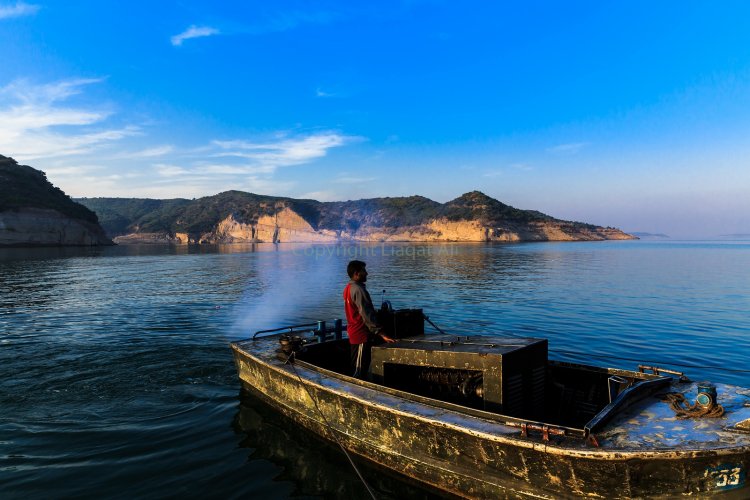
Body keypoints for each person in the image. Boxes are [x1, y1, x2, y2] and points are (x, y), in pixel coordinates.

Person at [343, 260, 395, 378]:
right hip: (360, 334)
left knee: (359, 365)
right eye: (364, 271)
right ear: (356, 273)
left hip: (354, 331)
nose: (367, 273)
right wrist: (382, 334)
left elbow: (356, 310)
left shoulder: (348, 288)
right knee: (358, 370)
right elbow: (366, 314)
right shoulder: (358, 289)